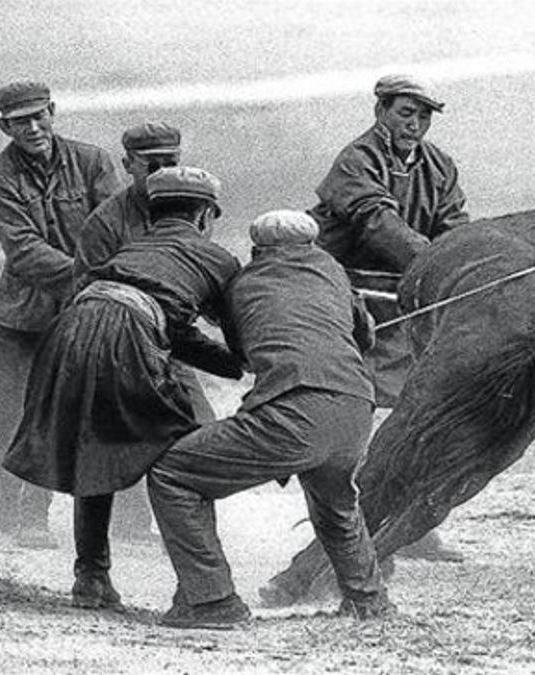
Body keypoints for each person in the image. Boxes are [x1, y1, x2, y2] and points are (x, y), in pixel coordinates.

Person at [3, 166, 242, 610]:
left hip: (68, 331)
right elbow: (232, 330)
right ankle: (200, 591)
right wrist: (241, 362)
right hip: (125, 336)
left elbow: (167, 324)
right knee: (187, 457)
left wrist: (227, 365)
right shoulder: (218, 259)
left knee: (95, 448)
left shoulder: (133, 249)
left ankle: (91, 578)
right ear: (206, 216)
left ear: (153, 216)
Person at [148, 210, 393, 629]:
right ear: (312, 245)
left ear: (258, 250)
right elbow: (364, 337)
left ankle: (213, 602)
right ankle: (367, 601)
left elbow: (242, 356)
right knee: (337, 507)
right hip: (356, 407)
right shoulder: (333, 272)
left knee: (173, 473)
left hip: (295, 407)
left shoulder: (244, 282)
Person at [309, 73, 469, 562]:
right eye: (406, 113)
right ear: (381, 112)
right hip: (348, 302)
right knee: (350, 415)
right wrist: (437, 266)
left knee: (417, 413)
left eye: (423, 116)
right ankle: (341, 525)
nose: (415, 124)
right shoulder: (356, 160)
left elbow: (453, 224)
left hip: (402, 302)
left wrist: (465, 259)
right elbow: (378, 223)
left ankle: (408, 526)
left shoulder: (440, 165)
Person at [0, 80, 121, 549]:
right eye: (21, 121)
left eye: (40, 115)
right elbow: (23, 252)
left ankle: (131, 524)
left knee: (112, 403)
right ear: (5, 127)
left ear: (53, 111)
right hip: (27, 314)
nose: (34, 126)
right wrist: (86, 274)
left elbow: (115, 227)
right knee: (15, 412)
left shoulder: (94, 161)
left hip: (91, 304)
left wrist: (100, 281)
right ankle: (16, 519)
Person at [73, 122, 211, 542]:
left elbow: (201, 277)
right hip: (119, 347)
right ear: (128, 165)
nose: (162, 173)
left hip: (173, 346)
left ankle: (187, 532)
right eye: (152, 165)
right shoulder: (105, 223)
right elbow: (84, 289)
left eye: (171, 163)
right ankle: (122, 531)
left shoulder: (193, 208)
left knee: (202, 430)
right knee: (119, 434)